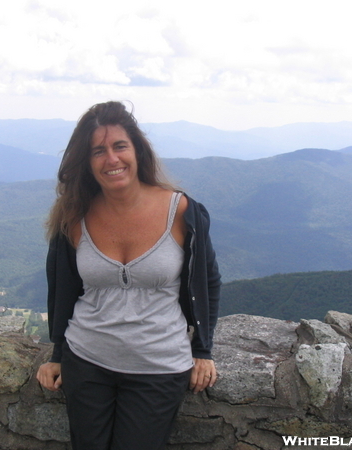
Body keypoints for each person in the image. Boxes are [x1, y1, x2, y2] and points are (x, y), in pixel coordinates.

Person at [36, 101, 221, 450]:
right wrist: (58, 353)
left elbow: (207, 282)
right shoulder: (74, 218)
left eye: (120, 146)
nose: (112, 159)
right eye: (98, 151)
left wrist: (203, 349)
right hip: (86, 361)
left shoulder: (181, 211)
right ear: (86, 162)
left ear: (138, 150)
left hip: (159, 366)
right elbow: (62, 290)